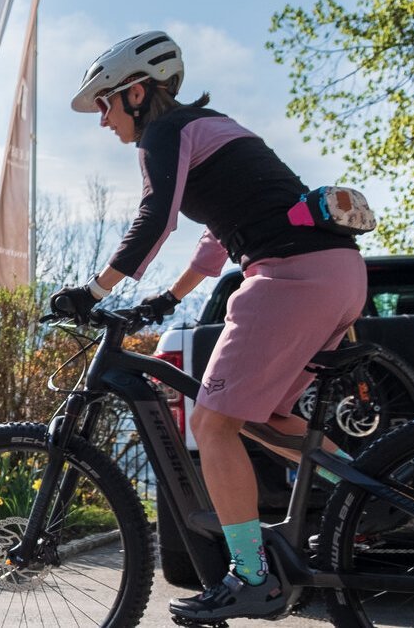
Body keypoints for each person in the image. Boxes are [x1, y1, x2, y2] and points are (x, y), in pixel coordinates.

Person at [54, 31, 365, 622]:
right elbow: (218, 232)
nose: (102, 122)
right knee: (260, 417)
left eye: (104, 104)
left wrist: (95, 291)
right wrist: (166, 298)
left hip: (290, 278)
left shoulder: (165, 134)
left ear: (137, 93)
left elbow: (157, 216)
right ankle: (371, 493)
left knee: (213, 423)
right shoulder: (212, 128)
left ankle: (250, 576)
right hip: (337, 272)